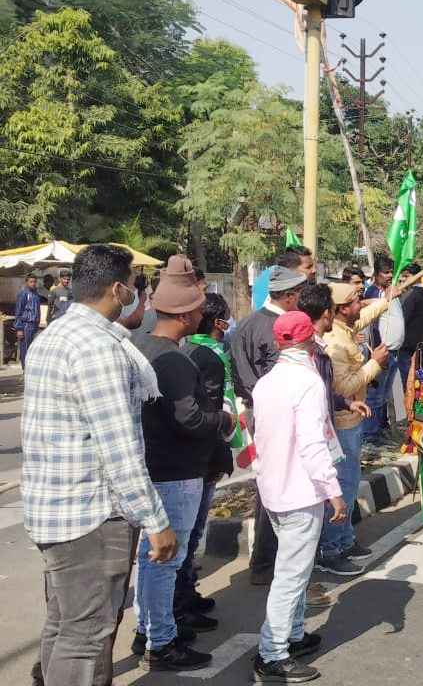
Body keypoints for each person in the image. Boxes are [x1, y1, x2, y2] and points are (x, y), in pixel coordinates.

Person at [21, 244, 177, 686]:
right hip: (89, 517)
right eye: (132, 286)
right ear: (116, 288)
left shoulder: (55, 334)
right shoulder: (98, 349)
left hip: (55, 511)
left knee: (64, 625)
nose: (134, 295)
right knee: (87, 637)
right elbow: (120, 448)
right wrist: (155, 520)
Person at [132, 255, 234, 671]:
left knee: (152, 559)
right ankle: (160, 641)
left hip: (159, 468)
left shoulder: (145, 347)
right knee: (164, 560)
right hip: (175, 474)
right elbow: (190, 418)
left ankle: (150, 630)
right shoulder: (173, 359)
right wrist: (223, 420)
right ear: (189, 313)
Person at [251, 311, 345, 683]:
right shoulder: (308, 382)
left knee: (293, 571)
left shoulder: (266, 382)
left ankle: (291, 635)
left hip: (274, 488)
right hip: (300, 491)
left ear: (278, 343)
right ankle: (271, 653)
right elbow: (312, 442)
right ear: (310, 341)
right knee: (290, 576)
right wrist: (333, 490)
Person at [230, 266, 308, 585]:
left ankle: (270, 558)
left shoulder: (246, 325)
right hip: (273, 415)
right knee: (275, 486)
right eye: (298, 296)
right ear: (288, 297)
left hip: (257, 410)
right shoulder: (278, 328)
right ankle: (266, 560)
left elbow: (239, 376)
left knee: (270, 482)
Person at [320, 282, 392, 575]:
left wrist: (386, 298)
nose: (361, 305)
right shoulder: (336, 341)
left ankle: (346, 540)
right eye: (356, 301)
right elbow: (344, 389)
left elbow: (366, 315)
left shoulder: (346, 326)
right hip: (343, 423)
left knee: (349, 483)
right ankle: (330, 549)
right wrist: (374, 363)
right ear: (339, 310)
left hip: (353, 422)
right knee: (344, 487)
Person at [177, 293, 237, 623]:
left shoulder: (189, 350)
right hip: (202, 459)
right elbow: (212, 413)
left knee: (188, 535)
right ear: (218, 322)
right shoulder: (210, 357)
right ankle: (183, 600)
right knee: (192, 533)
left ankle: (187, 592)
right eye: (227, 316)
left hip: (191, 457)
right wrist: (217, 460)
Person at [361, 254, 397, 443]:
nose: (390, 276)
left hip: (391, 353)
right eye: (386, 272)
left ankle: (380, 429)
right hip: (378, 353)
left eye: (392, 272)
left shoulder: (389, 292)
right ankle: (370, 437)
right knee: (374, 398)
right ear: (377, 273)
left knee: (383, 396)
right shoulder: (373, 295)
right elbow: (371, 327)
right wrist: (374, 355)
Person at [396, 262, 423, 388]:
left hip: (408, 348)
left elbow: (402, 319)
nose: (404, 280)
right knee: (421, 382)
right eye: (403, 277)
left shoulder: (411, 296)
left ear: (417, 276)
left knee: (408, 384)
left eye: (407, 276)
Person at [15, 272, 41, 366]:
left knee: (35, 348)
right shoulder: (23, 294)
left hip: (35, 325)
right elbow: (18, 311)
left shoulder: (36, 294)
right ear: (26, 282)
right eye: (31, 282)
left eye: (34, 282)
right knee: (25, 348)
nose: (33, 283)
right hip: (26, 325)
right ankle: (25, 369)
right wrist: (19, 328)